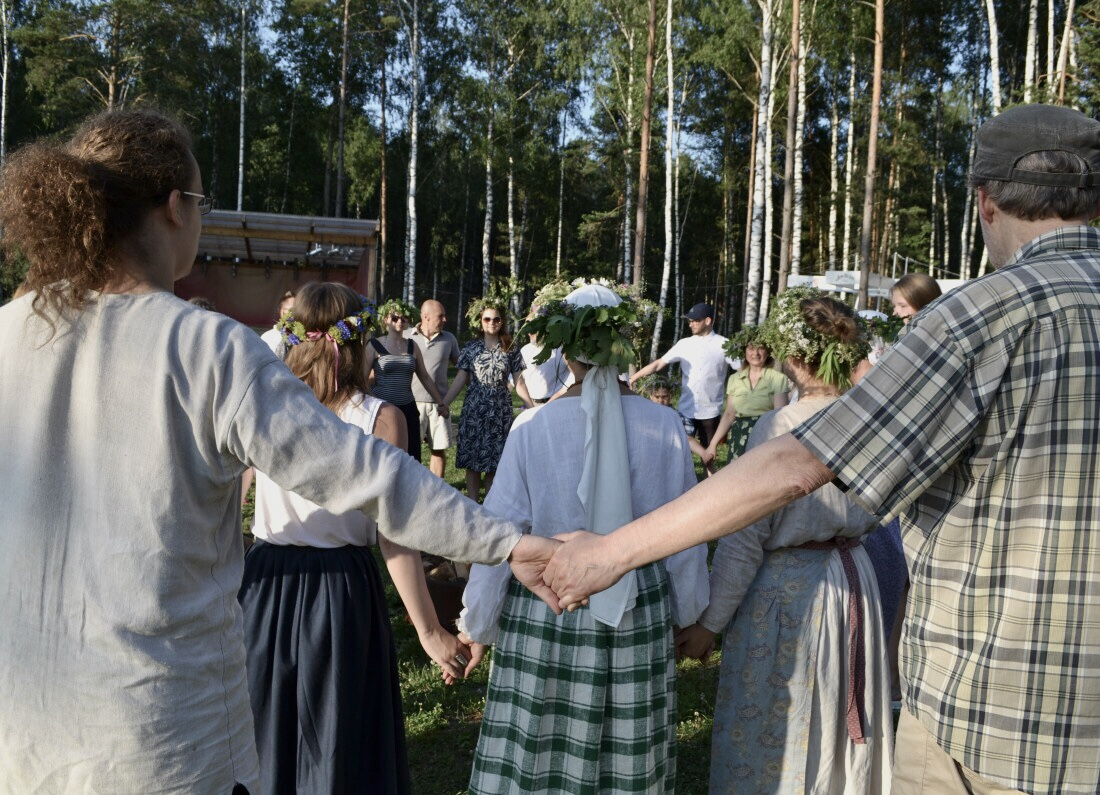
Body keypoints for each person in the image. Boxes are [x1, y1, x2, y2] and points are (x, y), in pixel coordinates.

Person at [546, 103, 1100, 795]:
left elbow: (797, 464)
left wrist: (607, 552)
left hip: (991, 721)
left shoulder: (983, 316)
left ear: (985, 202)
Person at [0, 109, 558, 793]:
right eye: (202, 201)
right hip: (159, 739)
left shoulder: (9, 333)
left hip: (25, 731)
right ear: (176, 208)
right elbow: (369, 477)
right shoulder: (204, 347)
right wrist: (509, 543)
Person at [457, 282, 708, 794]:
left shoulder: (532, 426)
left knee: (540, 747)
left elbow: (499, 535)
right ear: (622, 345)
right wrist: (690, 614)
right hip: (638, 607)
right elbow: (686, 533)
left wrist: (476, 625)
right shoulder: (663, 425)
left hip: (550, 604)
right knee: (627, 753)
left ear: (563, 349)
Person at [240, 282, 471, 794]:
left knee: (264, 732)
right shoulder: (381, 419)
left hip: (265, 584)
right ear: (357, 341)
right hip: (338, 589)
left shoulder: (265, 406)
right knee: (336, 737)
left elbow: (232, 494)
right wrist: (431, 633)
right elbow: (396, 536)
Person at [676, 289, 891, 793]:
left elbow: (745, 538)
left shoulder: (780, 426)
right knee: (838, 714)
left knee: (781, 724)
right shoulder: (872, 421)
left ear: (793, 356)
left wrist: (711, 622)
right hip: (855, 583)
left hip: (792, 597)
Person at [443, 299, 531, 500]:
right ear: (481, 322)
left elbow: (519, 382)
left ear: (502, 322)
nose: (492, 322)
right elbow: (460, 379)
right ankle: (473, 505)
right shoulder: (471, 348)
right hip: (475, 409)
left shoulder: (510, 348)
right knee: (473, 462)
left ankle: (491, 506)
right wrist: (445, 402)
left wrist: (532, 406)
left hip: (499, 411)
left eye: (496, 319)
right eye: (487, 319)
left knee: (494, 463)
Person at [629, 301, 729, 475]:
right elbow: (659, 363)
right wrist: (634, 377)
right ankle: (680, 486)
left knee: (709, 457)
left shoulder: (723, 344)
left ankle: (712, 488)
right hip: (686, 408)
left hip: (710, 410)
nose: (690, 324)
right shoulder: (684, 344)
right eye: (689, 321)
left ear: (707, 320)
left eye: (695, 320)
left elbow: (742, 367)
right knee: (679, 449)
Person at [364, 297, 450, 458]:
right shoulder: (374, 345)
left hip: (408, 408)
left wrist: (440, 402)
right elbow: (362, 381)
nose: (399, 321)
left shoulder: (412, 345)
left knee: (411, 455)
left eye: (403, 317)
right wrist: (376, 402)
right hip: (383, 409)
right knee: (384, 455)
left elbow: (424, 377)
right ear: (385, 320)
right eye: (394, 318)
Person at [702, 325, 790, 467]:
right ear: (744, 351)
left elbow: (779, 414)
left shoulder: (777, 378)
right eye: (751, 348)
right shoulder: (734, 379)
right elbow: (729, 414)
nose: (755, 353)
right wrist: (713, 444)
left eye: (760, 348)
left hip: (766, 432)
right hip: (739, 434)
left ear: (767, 352)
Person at [405, 298, 460, 478]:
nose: (445, 319)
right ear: (426, 317)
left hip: (439, 405)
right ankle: (412, 487)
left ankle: (437, 490)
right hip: (411, 403)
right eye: (441, 316)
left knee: (438, 449)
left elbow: (461, 368)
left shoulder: (449, 339)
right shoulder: (406, 336)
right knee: (410, 450)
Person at [517, 328, 571, 403]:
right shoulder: (524, 350)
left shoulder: (560, 349)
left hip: (558, 402)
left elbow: (575, 376)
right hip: (533, 404)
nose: (529, 333)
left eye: (533, 330)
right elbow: (518, 381)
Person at [260, 289, 296, 354]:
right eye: (294, 310)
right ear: (283, 312)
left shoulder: (305, 338)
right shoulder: (268, 337)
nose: (299, 313)